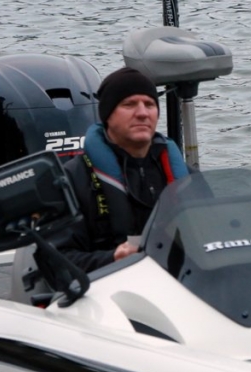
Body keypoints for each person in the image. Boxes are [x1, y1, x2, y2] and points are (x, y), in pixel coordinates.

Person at [57, 67, 189, 272]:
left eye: (149, 104)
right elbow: (56, 261)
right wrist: (112, 258)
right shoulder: (71, 180)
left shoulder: (186, 177)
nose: (142, 113)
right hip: (106, 282)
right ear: (108, 115)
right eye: (129, 104)